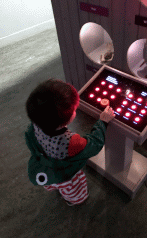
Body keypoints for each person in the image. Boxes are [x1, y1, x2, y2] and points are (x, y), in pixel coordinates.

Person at [25, 78, 115, 206]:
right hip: (64, 172)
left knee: (53, 181)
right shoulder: (71, 143)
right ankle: (73, 199)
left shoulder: (37, 120)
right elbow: (94, 144)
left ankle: (54, 186)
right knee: (72, 188)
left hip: (44, 165)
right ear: (67, 119)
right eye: (74, 109)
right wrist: (103, 122)